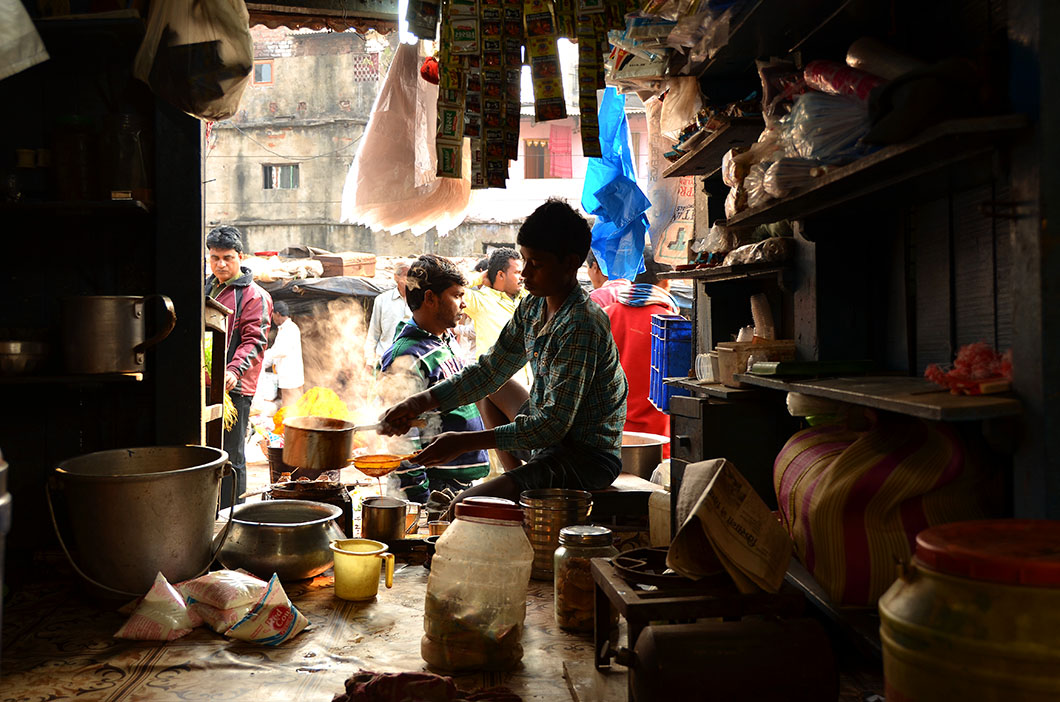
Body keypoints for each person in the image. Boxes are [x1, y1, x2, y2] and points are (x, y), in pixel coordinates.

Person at [380, 199, 628, 506]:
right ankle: (519, 483)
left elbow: (550, 427)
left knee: (464, 506)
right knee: (490, 388)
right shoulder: (533, 305)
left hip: (585, 456)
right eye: (524, 261)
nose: (525, 273)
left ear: (570, 263)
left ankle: (519, 485)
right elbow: (489, 370)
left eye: (536, 264)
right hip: (546, 442)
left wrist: (464, 442)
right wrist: (418, 402)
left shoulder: (582, 323)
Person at [378, 255, 490, 502]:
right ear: (430, 298)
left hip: (458, 486)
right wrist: (423, 501)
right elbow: (401, 443)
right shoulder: (405, 357)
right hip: (436, 490)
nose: (463, 304)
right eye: (457, 295)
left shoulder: (446, 341)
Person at [205, 225, 273, 508]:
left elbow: (255, 340)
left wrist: (232, 370)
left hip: (235, 388)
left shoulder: (254, 295)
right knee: (207, 452)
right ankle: (209, 512)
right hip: (206, 386)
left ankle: (233, 516)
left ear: (240, 257)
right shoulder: (206, 288)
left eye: (228, 257)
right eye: (215, 257)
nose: (221, 263)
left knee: (232, 454)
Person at [603, 252, 678, 455]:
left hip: (607, 438)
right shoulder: (673, 324)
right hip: (657, 441)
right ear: (665, 281)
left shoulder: (604, 316)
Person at [366, 261, 412, 365]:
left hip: (411, 362)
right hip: (384, 361)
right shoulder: (382, 300)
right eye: (406, 275)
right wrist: (369, 361)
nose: (410, 280)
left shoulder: (420, 301)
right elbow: (374, 334)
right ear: (396, 277)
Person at [263, 300, 304, 407]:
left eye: (272, 315)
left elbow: (281, 351)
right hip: (286, 377)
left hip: (291, 377)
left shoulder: (290, 329)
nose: (272, 319)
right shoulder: (283, 329)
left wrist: (263, 356)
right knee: (289, 406)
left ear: (277, 314)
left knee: (290, 408)